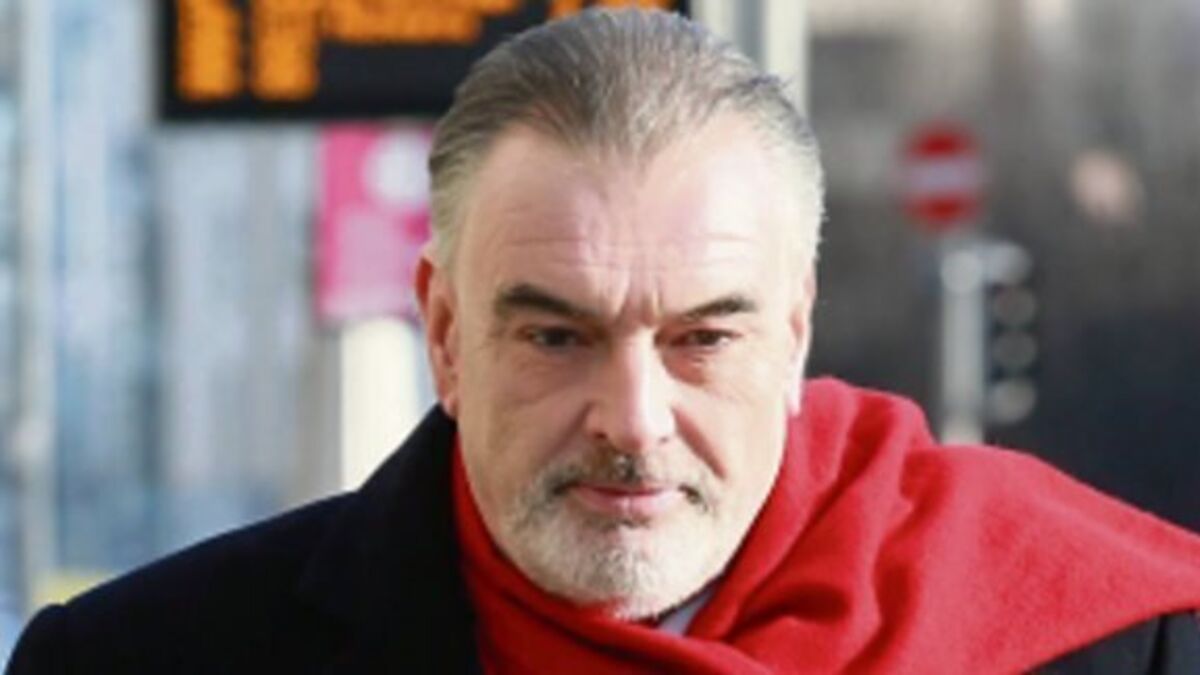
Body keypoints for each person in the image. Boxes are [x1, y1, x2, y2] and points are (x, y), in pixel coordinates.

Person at [7, 8, 1200, 674]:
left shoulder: (1119, 642)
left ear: (793, 334)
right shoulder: (137, 666)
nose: (633, 421)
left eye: (702, 339)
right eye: (555, 334)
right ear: (445, 335)